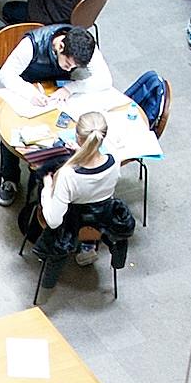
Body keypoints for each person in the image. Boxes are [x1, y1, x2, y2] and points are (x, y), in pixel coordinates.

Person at [0, 24, 112, 206]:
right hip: (29, 86)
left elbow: (105, 80)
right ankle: (9, 178)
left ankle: (54, 179)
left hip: (59, 92)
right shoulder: (31, 45)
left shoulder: (85, 46)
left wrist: (71, 88)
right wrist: (30, 93)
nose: (68, 69)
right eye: (67, 64)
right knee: (12, 131)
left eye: (73, 67)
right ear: (61, 47)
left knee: (68, 130)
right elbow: (6, 74)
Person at [37, 111, 121, 268]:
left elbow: (54, 221)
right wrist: (81, 151)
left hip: (72, 223)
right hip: (102, 218)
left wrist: (47, 189)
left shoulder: (68, 175)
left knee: (42, 181)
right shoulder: (115, 158)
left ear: (77, 137)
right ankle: (88, 247)